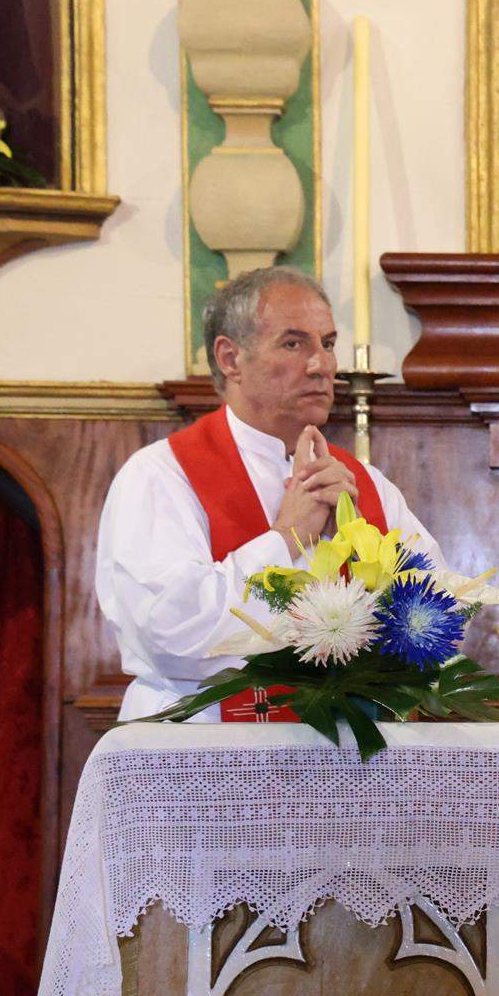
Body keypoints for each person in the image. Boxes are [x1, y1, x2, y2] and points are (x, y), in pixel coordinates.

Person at [94, 266, 442, 722]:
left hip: (344, 768)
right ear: (230, 358)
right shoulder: (160, 477)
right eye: (294, 344)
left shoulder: (366, 484)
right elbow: (172, 632)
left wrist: (358, 546)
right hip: (200, 758)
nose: (321, 365)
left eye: (329, 343)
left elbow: (438, 622)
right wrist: (285, 538)